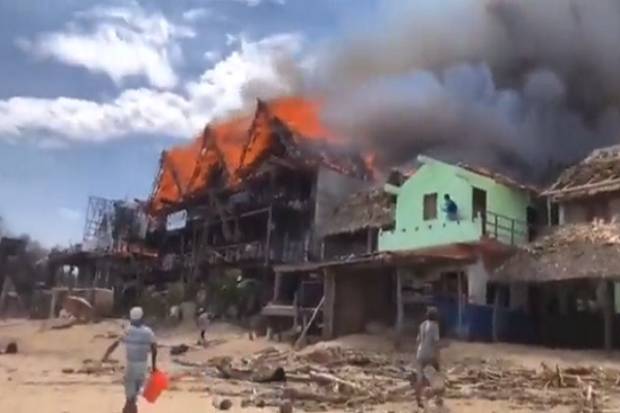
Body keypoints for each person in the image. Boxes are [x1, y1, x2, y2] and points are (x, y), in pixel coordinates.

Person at [102, 307, 157, 413]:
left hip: (131, 366)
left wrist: (106, 355)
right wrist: (154, 366)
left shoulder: (128, 331)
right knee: (133, 398)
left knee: (130, 399)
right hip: (143, 366)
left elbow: (115, 343)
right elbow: (154, 349)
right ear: (142, 318)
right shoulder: (148, 332)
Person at [415, 306, 441, 408]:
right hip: (429, 354)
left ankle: (418, 397)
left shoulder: (422, 325)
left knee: (420, 377)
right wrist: (437, 358)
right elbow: (436, 343)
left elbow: (418, 340)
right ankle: (432, 400)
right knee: (433, 377)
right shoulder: (435, 326)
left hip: (420, 353)